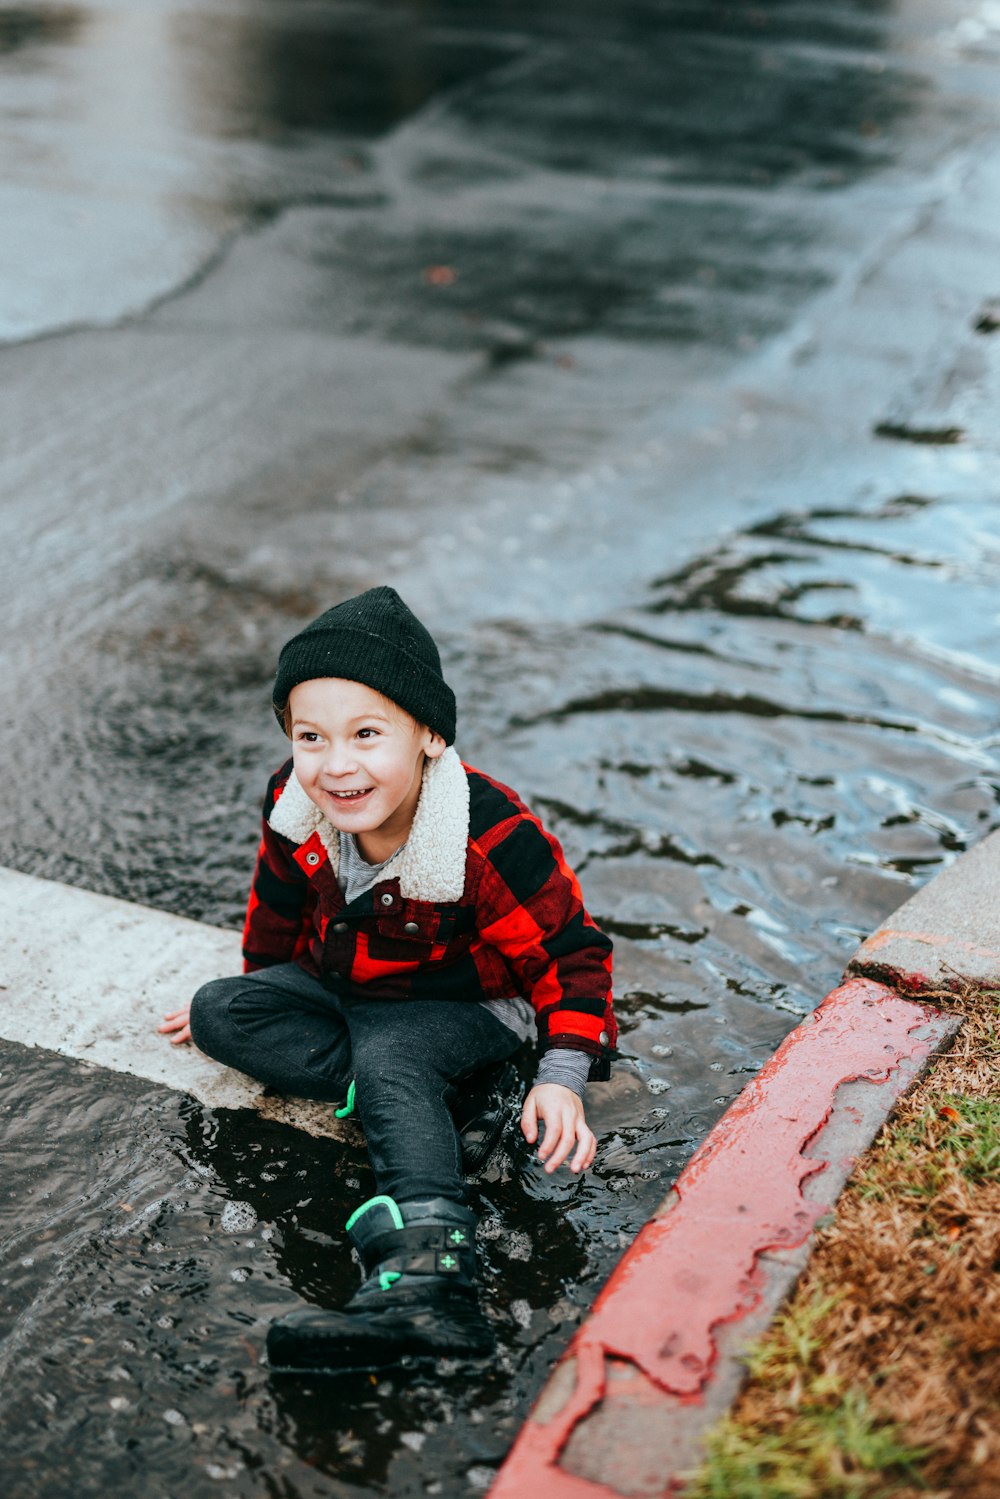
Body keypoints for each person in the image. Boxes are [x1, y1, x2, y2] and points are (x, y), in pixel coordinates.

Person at [160, 585, 616, 1374]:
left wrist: (564, 1075)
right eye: (311, 736)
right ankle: (425, 1099)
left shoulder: (488, 832)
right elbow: (274, 910)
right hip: (352, 983)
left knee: (393, 1051)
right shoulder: (293, 801)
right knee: (217, 1014)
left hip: (473, 1000)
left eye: (367, 734)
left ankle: (435, 1290)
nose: (337, 766)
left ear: (429, 735)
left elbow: (573, 954)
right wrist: (260, 995)